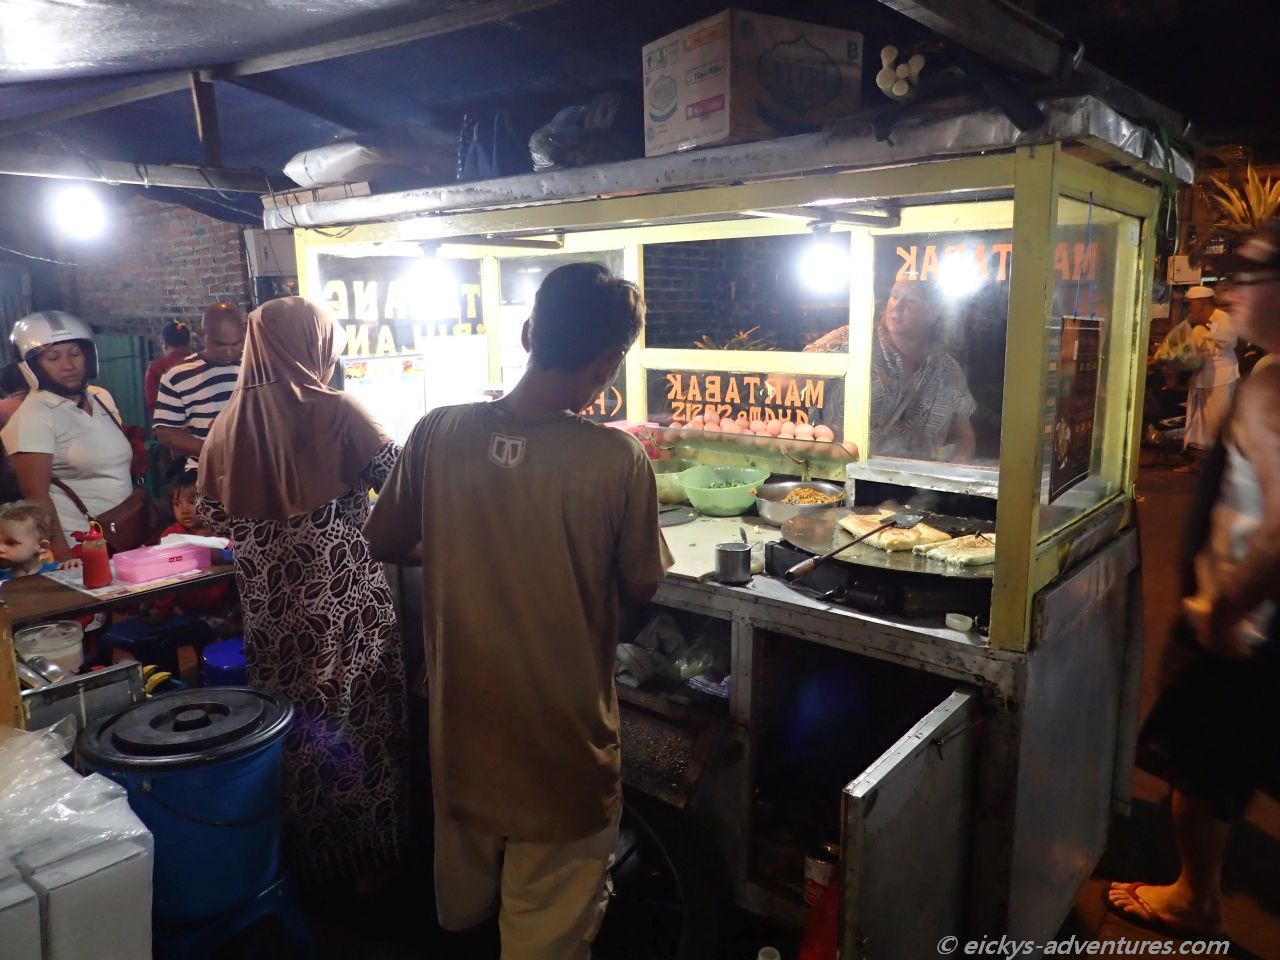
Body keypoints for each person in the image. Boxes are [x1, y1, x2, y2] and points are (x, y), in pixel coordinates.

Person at [365, 262, 671, 960]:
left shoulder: (437, 430)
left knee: (467, 911)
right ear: (607, 363)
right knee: (547, 928)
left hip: (463, 730)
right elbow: (642, 584)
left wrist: (462, 543)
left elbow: (386, 539)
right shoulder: (618, 459)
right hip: (559, 742)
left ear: (531, 332)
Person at [198, 297, 408, 884]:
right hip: (344, 600)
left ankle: (307, 856)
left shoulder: (225, 422)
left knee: (293, 722)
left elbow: (212, 511)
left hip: (270, 608)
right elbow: (402, 484)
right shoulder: (339, 410)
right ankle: (370, 852)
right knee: (357, 715)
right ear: (316, 343)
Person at [1107, 221, 1280, 938]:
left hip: (1241, 619)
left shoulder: (1275, 381)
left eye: (1251, 278)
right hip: (1251, 617)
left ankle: (1193, 901)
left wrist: (1226, 607)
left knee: (1197, 769)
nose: (1235, 292)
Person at [0, 312, 135, 561]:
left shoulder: (101, 398)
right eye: (53, 357)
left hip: (125, 533)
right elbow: (37, 498)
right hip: (80, 544)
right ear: (32, 366)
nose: (68, 365)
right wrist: (65, 560)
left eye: (75, 354)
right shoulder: (34, 416)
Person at [804, 279, 977, 461]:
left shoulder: (947, 370)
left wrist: (947, 482)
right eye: (894, 296)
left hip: (914, 485)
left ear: (931, 313)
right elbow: (789, 376)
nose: (897, 306)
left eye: (910, 301)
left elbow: (964, 437)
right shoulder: (851, 340)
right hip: (844, 475)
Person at [153, 303, 245, 471]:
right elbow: (165, 432)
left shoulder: (253, 367)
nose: (229, 352)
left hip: (254, 471)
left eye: (236, 344)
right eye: (220, 345)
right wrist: (215, 451)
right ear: (201, 334)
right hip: (206, 472)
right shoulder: (178, 374)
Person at [1176, 285, 1239, 473]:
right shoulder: (1196, 324)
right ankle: (1199, 463)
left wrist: (1207, 324)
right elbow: (1193, 350)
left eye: (1192, 304)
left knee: (1217, 423)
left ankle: (1220, 468)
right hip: (1202, 378)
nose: (1190, 307)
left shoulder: (1221, 318)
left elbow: (1230, 340)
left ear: (1203, 303)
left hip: (1222, 377)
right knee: (1199, 424)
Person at [0, 501, 80, 580]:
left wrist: (73, 566)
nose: (1, 549)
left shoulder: (56, 571)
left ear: (42, 546)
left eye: (10, 543)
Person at [143, 320, 192, 417]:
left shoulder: (156, 368)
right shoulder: (199, 363)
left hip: (169, 427)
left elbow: (153, 406)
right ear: (188, 343)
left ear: (164, 343)